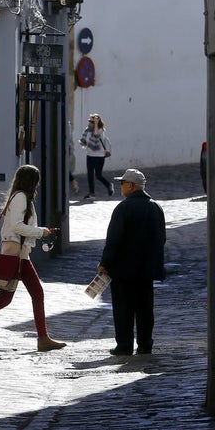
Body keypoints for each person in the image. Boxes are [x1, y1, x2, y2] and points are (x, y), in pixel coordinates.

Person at [0, 165, 67, 353]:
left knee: (6, 298)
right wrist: (41, 232)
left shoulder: (21, 197)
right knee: (35, 294)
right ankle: (42, 338)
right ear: (31, 181)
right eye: (37, 180)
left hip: (19, 252)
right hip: (16, 253)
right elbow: (16, 226)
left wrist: (41, 231)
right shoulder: (21, 198)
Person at [97, 168, 166, 356]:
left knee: (123, 309)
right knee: (145, 308)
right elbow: (161, 239)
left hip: (123, 269)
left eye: (122, 183)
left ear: (131, 185)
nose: (120, 187)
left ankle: (124, 345)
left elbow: (113, 240)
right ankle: (145, 343)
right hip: (146, 269)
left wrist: (105, 263)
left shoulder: (123, 208)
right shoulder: (155, 207)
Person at [78, 113, 113, 199]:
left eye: (91, 121)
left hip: (99, 156)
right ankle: (91, 194)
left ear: (95, 123)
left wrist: (97, 123)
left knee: (98, 175)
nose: (89, 122)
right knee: (90, 175)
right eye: (89, 121)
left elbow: (96, 134)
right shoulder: (88, 130)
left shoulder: (100, 130)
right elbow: (85, 140)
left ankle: (109, 185)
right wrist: (83, 142)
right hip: (90, 155)